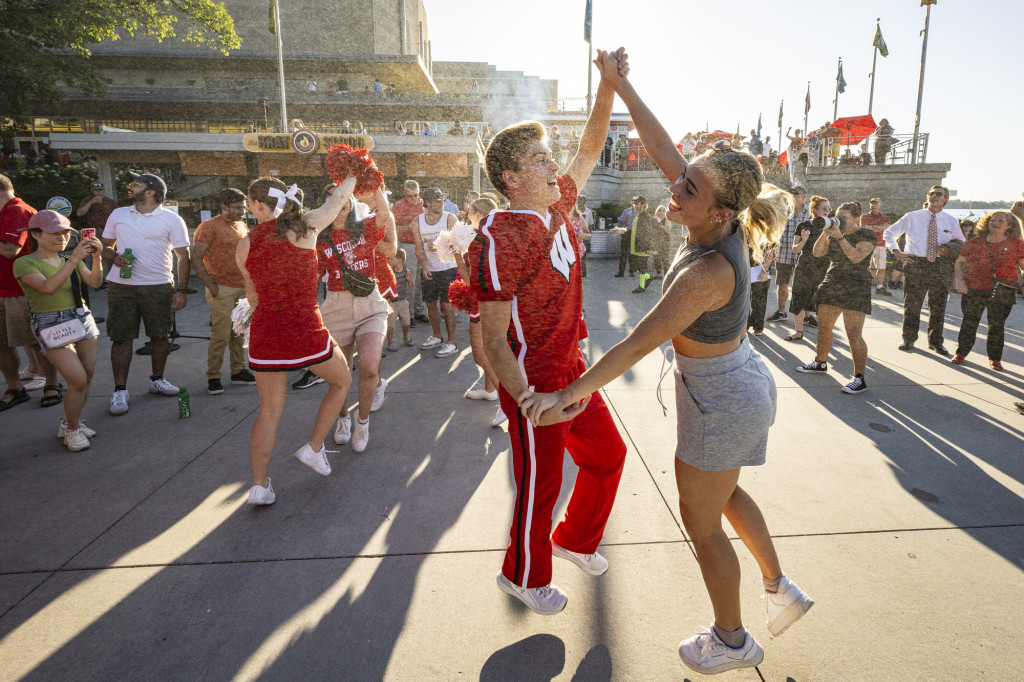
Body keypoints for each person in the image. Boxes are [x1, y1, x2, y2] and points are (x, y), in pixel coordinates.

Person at [521, 56, 813, 674]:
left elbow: (634, 345)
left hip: (722, 398)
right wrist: (617, 83)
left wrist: (567, 394)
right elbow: (658, 144)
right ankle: (779, 587)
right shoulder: (711, 212)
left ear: (721, 212)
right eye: (682, 180)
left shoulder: (710, 271)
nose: (673, 189)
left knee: (702, 524)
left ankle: (733, 641)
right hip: (734, 382)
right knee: (727, 494)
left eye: (688, 188)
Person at [470, 47, 628, 619]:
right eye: (539, 158)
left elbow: (589, 145)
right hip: (535, 381)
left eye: (546, 155)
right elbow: (491, 339)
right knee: (540, 487)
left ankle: (576, 540)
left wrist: (608, 84)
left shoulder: (556, 203)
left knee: (608, 456)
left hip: (572, 368)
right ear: (511, 177)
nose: (550, 162)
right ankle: (522, 577)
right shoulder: (499, 237)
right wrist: (527, 399)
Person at [235, 175, 356, 505]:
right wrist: (356, 167)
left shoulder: (245, 243)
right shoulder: (306, 227)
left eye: (250, 201)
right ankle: (314, 448)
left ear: (259, 205)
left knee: (269, 412)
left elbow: (253, 297)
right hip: (304, 328)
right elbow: (339, 197)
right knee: (342, 382)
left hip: (265, 333)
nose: (248, 207)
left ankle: (259, 485)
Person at [97, 172, 190, 415]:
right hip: (121, 286)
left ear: (150, 192)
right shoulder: (118, 214)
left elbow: (183, 256)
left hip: (158, 285)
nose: (129, 187)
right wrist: (112, 256)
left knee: (160, 336)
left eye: (135, 184)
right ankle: (120, 390)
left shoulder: (171, 219)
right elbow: (104, 245)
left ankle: (157, 379)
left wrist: (181, 290)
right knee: (121, 337)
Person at [13, 211, 103, 450]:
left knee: (88, 375)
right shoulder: (25, 262)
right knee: (77, 379)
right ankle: (72, 429)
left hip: (81, 317)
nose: (62, 238)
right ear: (35, 234)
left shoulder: (68, 259)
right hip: (50, 323)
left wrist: (98, 258)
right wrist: (73, 260)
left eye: (65, 233)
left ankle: (70, 422)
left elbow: (94, 283)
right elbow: (47, 287)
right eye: (55, 233)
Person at [317, 182, 396, 453]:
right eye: (336, 202)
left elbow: (384, 216)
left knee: (370, 367)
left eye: (346, 201)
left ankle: (362, 421)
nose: (342, 207)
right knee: (340, 374)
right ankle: (341, 419)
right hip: (336, 305)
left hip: (370, 303)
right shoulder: (319, 239)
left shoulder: (363, 228)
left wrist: (375, 187)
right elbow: (311, 275)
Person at [796, 202, 876, 393]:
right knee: (824, 327)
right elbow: (817, 253)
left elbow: (856, 257)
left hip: (856, 285)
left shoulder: (866, 234)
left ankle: (859, 378)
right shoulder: (834, 233)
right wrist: (826, 230)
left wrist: (839, 236)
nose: (839, 220)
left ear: (857, 218)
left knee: (853, 334)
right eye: (837, 216)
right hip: (832, 281)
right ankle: (820, 362)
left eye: (844, 217)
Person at [0, 173, 61, 410]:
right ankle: (14, 387)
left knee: (37, 341)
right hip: (5, 289)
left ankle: (52, 384)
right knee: (3, 343)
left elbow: (9, 250)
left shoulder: (16, 210)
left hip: (20, 290)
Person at [884, 185, 965, 355]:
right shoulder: (912, 216)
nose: (934, 196)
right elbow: (889, 233)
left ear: (946, 199)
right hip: (916, 264)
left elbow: (960, 242)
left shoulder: (951, 220)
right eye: (931, 193)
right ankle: (908, 338)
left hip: (940, 266)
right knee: (912, 305)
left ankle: (936, 341)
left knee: (938, 306)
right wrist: (896, 251)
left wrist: (948, 248)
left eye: (939, 194)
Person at [191, 188, 255, 395]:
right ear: (224, 206)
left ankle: (238, 371)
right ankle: (214, 376)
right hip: (222, 287)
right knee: (221, 333)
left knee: (239, 331)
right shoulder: (208, 227)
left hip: (242, 286)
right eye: (237, 207)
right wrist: (210, 285)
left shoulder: (242, 225)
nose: (242, 211)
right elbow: (196, 258)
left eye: (243, 207)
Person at [453, 196, 506, 427]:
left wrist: (455, 253)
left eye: (469, 211)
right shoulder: (492, 235)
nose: (466, 214)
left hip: (483, 301)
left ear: (478, 213)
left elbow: (470, 280)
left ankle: (506, 403)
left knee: (480, 354)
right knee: (491, 351)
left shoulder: (479, 241)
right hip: (496, 300)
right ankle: (489, 389)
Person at [951, 210, 1024, 370]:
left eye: (1000, 220)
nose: (995, 223)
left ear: (1009, 225)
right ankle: (961, 353)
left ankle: (995, 359)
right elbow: (959, 262)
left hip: (1003, 289)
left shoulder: (1016, 244)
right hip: (974, 288)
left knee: (996, 325)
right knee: (969, 322)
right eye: (992, 220)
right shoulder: (975, 242)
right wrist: (960, 281)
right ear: (986, 222)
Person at [412, 187, 458, 357]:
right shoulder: (417, 221)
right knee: (430, 304)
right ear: (428, 203)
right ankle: (437, 336)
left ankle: (451, 342)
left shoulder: (449, 218)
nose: (441, 203)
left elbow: (457, 243)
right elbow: (419, 248)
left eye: (442, 199)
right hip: (430, 267)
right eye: (438, 200)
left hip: (448, 267)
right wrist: (424, 266)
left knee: (447, 305)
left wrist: (440, 245)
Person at [784, 195, 832, 341]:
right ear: (815, 210)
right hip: (804, 267)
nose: (827, 211)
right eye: (824, 208)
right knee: (798, 297)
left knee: (822, 301)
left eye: (829, 208)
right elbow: (795, 249)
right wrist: (803, 241)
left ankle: (823, 335)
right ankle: (798, 332)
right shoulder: (803, 226)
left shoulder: (831, 227)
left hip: (823, 268)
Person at [768, 185, 809, 323]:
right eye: (792, 194)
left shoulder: (810, 213)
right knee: (782, 284)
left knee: (804, 286)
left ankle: (806, 316)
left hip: (803, 255)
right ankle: (781, 312)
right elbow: (775, 232)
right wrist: (772, 250)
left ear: (804, 196)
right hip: (783, 253)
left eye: (797, 194)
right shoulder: (783, 211)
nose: (794, 197)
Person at [391, 180, 428, 324]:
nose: (413, 199)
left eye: (416, 195)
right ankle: (409, 314)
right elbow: (392, 228)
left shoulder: (422, 203)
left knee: (421, 280)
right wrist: (409, 227)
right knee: (410, 279)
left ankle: (419, 311)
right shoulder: (399, 206)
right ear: (405, 193)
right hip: (407, 245)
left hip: (422, 245)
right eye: (410, 196)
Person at [860, 198, 892, 296]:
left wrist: (871, 227)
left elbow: (886, 227)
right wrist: (879, 227)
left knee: (881, 267)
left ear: (880, 205)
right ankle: (863, 287)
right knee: (865, 266)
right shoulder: (864, 217)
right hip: (868, 244)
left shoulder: (886, 217)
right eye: (872, 204)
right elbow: (864, 228)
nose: (873, 206)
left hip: (881, 244)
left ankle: (879, 287)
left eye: (876, 204)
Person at [386, 248, 413, 351]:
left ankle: (405, 338)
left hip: (402, 301)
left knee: (407, 323)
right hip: (391, 302)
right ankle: (390, 343)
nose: (389, 261)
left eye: (392, 259)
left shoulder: (406, 270)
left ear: (400, 260)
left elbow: (411, 286)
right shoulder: (389, 270)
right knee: (390, 324)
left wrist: (409, 281)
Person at [612, 197, 640, 278]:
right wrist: (626, 217)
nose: (634, 204)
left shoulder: (639, 212)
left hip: (635, 233)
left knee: (633, 253)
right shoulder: (626, 211)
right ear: (631, 203)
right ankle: (621, 272)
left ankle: (632, 272)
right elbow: (620, 222)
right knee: (623, 253)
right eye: (633, 202)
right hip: (626, 232)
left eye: (636, 203)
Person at [652, 204, 672, 278]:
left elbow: (668, 230)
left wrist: (660, 225)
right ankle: (658, 274)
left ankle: (667, 274)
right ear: (657, 211)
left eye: (663, 210)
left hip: (665, 241)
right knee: (656, 257)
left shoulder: (667, 219)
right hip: (655, 241)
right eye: (660, 210)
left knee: (664, 257)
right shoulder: (654, 219)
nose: (662, 212)